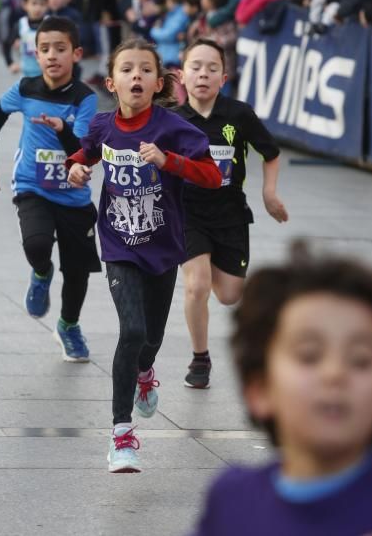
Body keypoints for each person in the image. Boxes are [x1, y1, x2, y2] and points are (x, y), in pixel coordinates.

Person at [65, 37, 222, 473]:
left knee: (149, 341)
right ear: (111, 82)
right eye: (128, 69)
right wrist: (76, 167)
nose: (137, 76)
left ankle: (145, 372)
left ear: (159, 82)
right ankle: (121, 435)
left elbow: (212, 176)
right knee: (131, 331)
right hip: (117, 243)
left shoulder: (174, 129)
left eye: (146, 70)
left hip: (163, 246)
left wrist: (169, 161)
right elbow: (84, 155)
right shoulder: (102, 126)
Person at [189, 241, 372, 535]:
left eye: (360, 361)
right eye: (309, 355)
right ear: (260, 390)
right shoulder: (231, 500)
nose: (334, 374)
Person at [0, 16, 101, 362]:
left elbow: (84, 146)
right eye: (44, 49)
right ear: (36, 52)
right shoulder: (26, 88)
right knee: (37, 244)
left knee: (77, 271)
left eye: (60, 49)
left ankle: (68, 325)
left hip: (73, 195)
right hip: (33, 185)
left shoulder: (84, 98)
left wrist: (63, 127)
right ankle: (42, 272)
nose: (51, 56)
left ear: (75, 54)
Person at [177, 38, 288, 389]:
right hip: (188, 213)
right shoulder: (172, 119)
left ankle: (208, 266)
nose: (203, 75)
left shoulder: (239, 114)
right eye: (196, 67)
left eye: (212, 69)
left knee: (229, 295)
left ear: (223, 78)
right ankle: (200, 359)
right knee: (197, 286)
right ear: (182, 75)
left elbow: (270, 153)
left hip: (230, 215)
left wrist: (268, 192)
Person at [3, 0, 48, 77]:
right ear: (24, 5)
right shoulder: (20, 24)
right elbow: (6, 44)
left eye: (42, 4)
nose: (38, 8)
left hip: (46, 75)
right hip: (26, 75)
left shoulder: (51, 24)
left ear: (47, 5)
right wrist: (10, 63)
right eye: (34, 3)